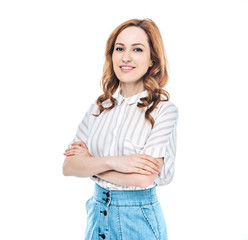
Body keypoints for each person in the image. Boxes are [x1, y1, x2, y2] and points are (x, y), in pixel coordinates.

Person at [62, 18, 178, 240]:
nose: (126, 57)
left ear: (152, 60)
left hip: (137, 219)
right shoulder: (98, 109)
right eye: (119, 48)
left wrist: (90, 165)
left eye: (137, 49)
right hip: (97, 215)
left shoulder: (164, 111)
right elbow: (68, 166)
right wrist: (116, 162)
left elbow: (143, 179)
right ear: (111, 55)